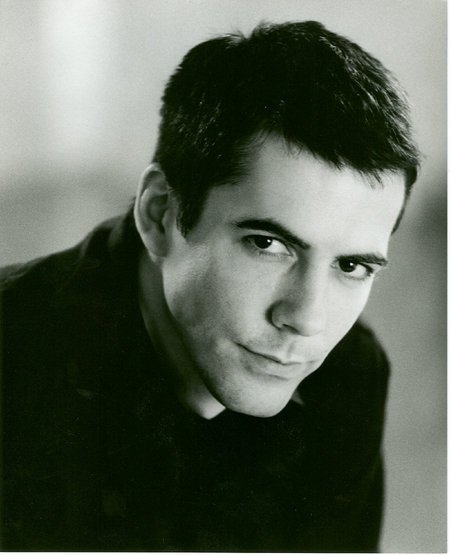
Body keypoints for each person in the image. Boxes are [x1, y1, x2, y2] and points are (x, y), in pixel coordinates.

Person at [0, 20, 419, 552]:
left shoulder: (349, 375)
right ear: (160, 214)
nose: (306, 320)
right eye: (267, 244)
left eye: (352, 266)